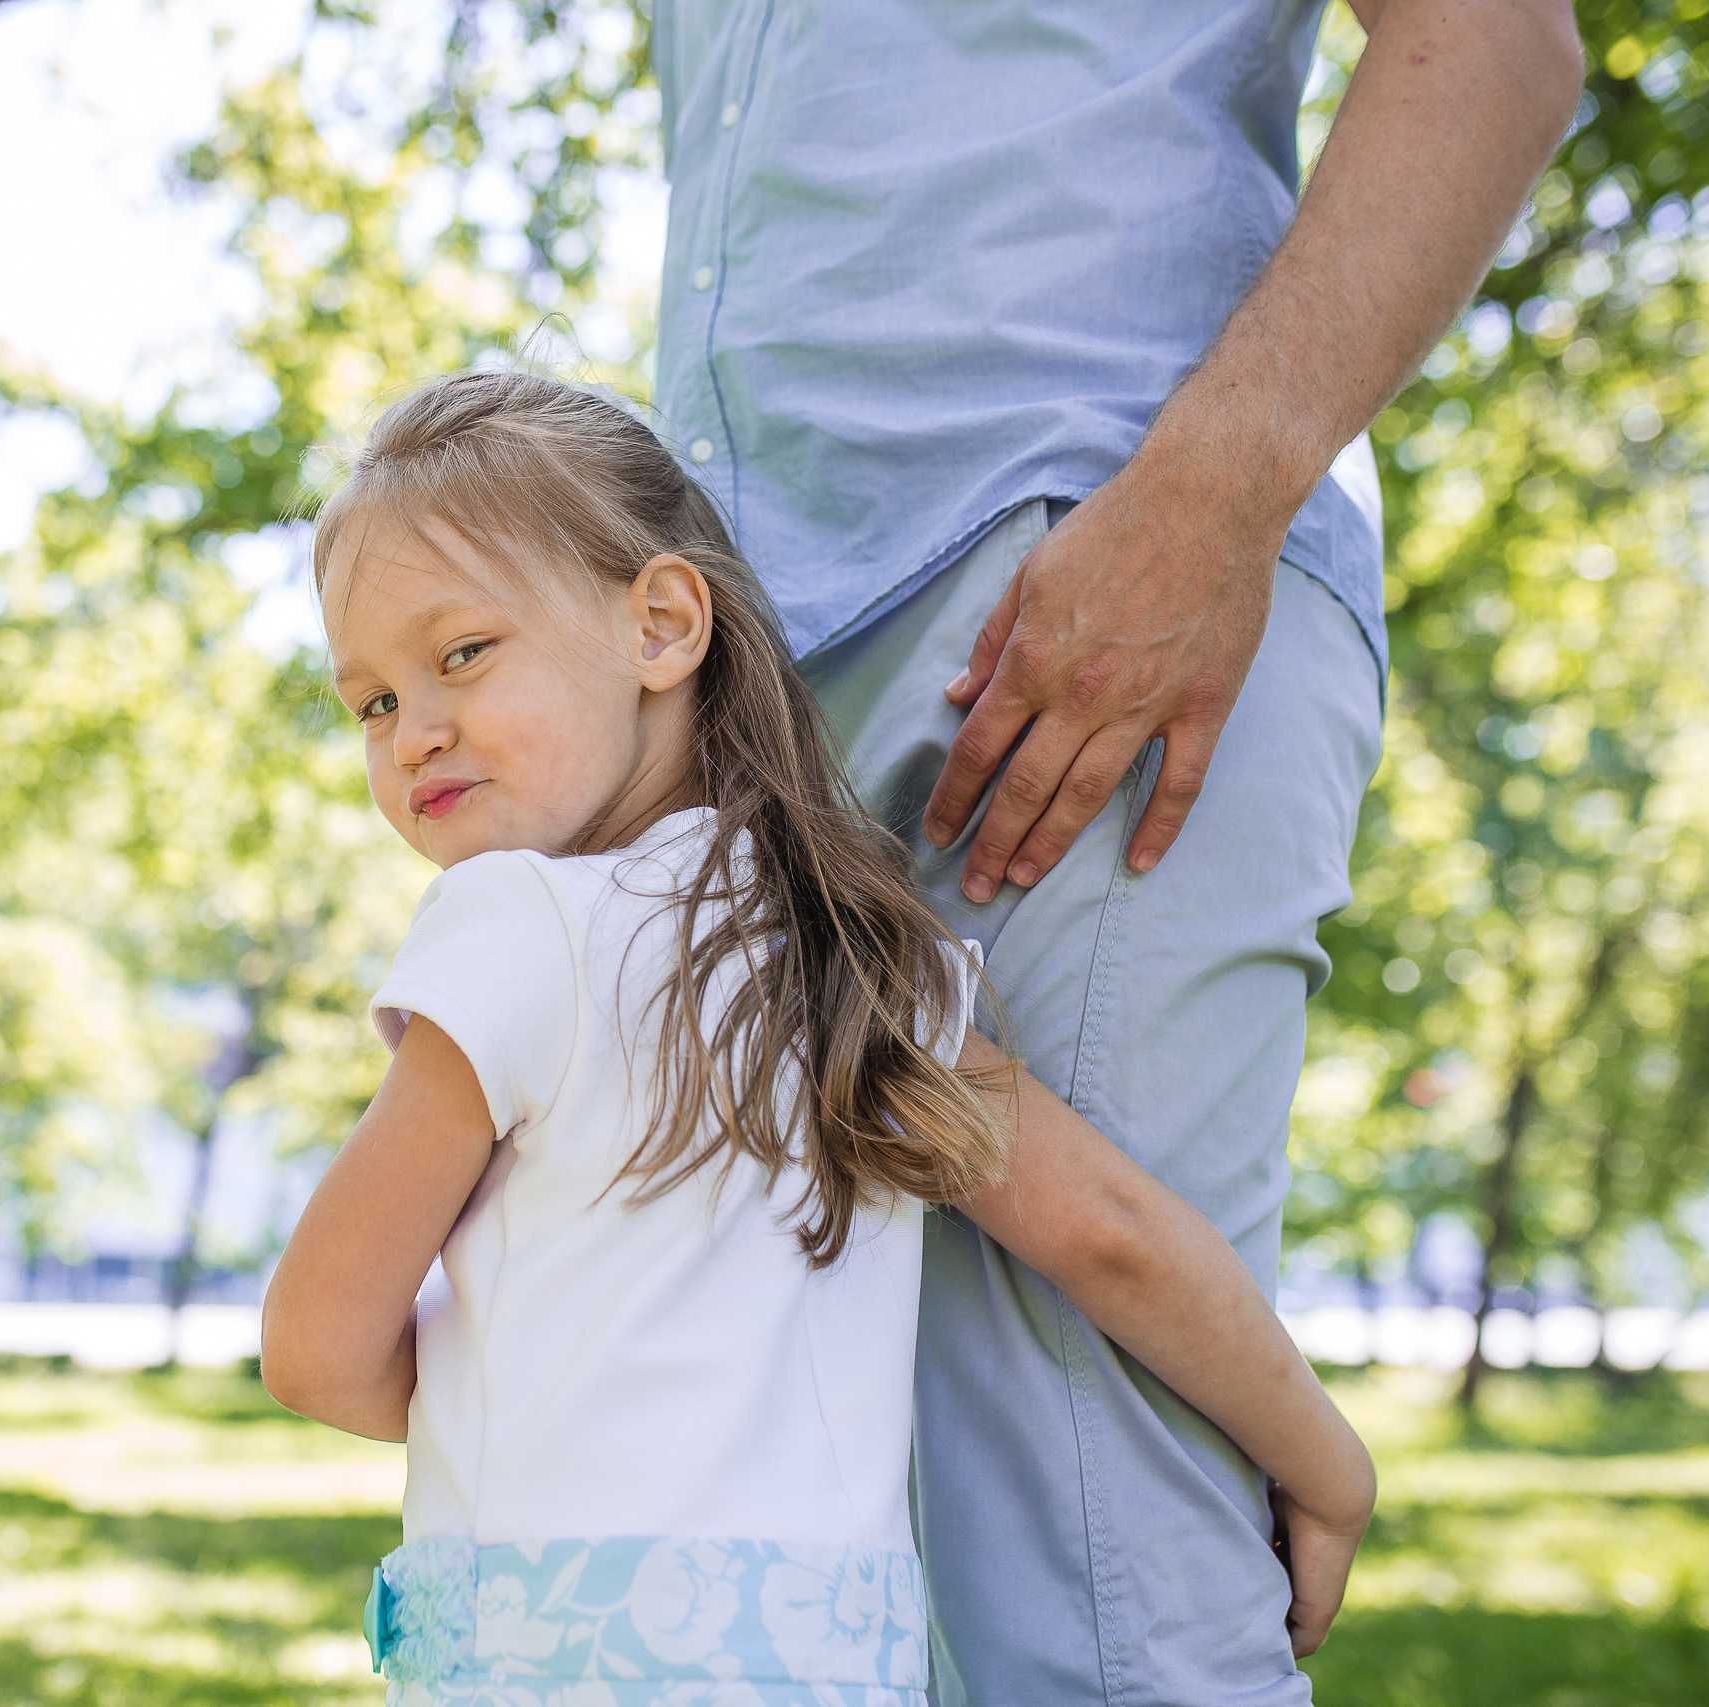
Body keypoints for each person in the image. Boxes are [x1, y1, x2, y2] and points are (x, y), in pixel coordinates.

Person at [651, 4, 1584, 1699]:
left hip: (1073, 594)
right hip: (750, 665)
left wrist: (1210, 497)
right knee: (850, 1588)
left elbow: (1499, 42)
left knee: (1093, 1592)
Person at [259, 370, 1374, 1705]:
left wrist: (519, 1408)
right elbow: (1111, 1236)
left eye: (460, 655)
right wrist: (1325, 1461)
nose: (413, 733)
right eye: (372, 702)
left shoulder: (511, 925)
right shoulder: (861, 959)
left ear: (665, 623)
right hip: (822, 1662)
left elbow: (317, 1347)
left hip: (550, 1658)